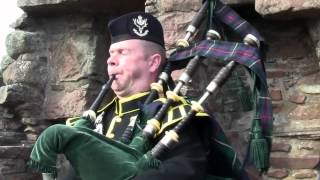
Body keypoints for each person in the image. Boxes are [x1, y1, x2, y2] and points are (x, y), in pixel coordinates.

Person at [28, 11, 245, 180]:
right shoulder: (98, 119)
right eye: (111, 54)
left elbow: (184, 172)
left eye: (123, 52)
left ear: (153, 63)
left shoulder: (176, 115)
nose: (110, 60)